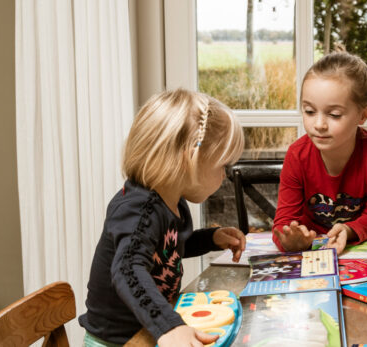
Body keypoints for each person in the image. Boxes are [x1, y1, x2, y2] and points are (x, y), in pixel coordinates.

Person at [79, 89, 247, 346]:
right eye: (222, 166)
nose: (224, 175)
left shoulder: (173, 201)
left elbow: (167, 249)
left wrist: (211, 238)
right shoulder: (137, 208)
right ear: (191, 157)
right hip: (118, 341)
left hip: (148, 333)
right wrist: (169, 326)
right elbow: (127, 269)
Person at [272, 52, 367, 254]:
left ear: (363, 115)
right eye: (309, 111)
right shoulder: (296, 156)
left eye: (334, 114)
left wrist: (348, 230)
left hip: (355, 252)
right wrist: (291, 241)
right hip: (308, 254)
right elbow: (283, 222)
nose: (319, 124)